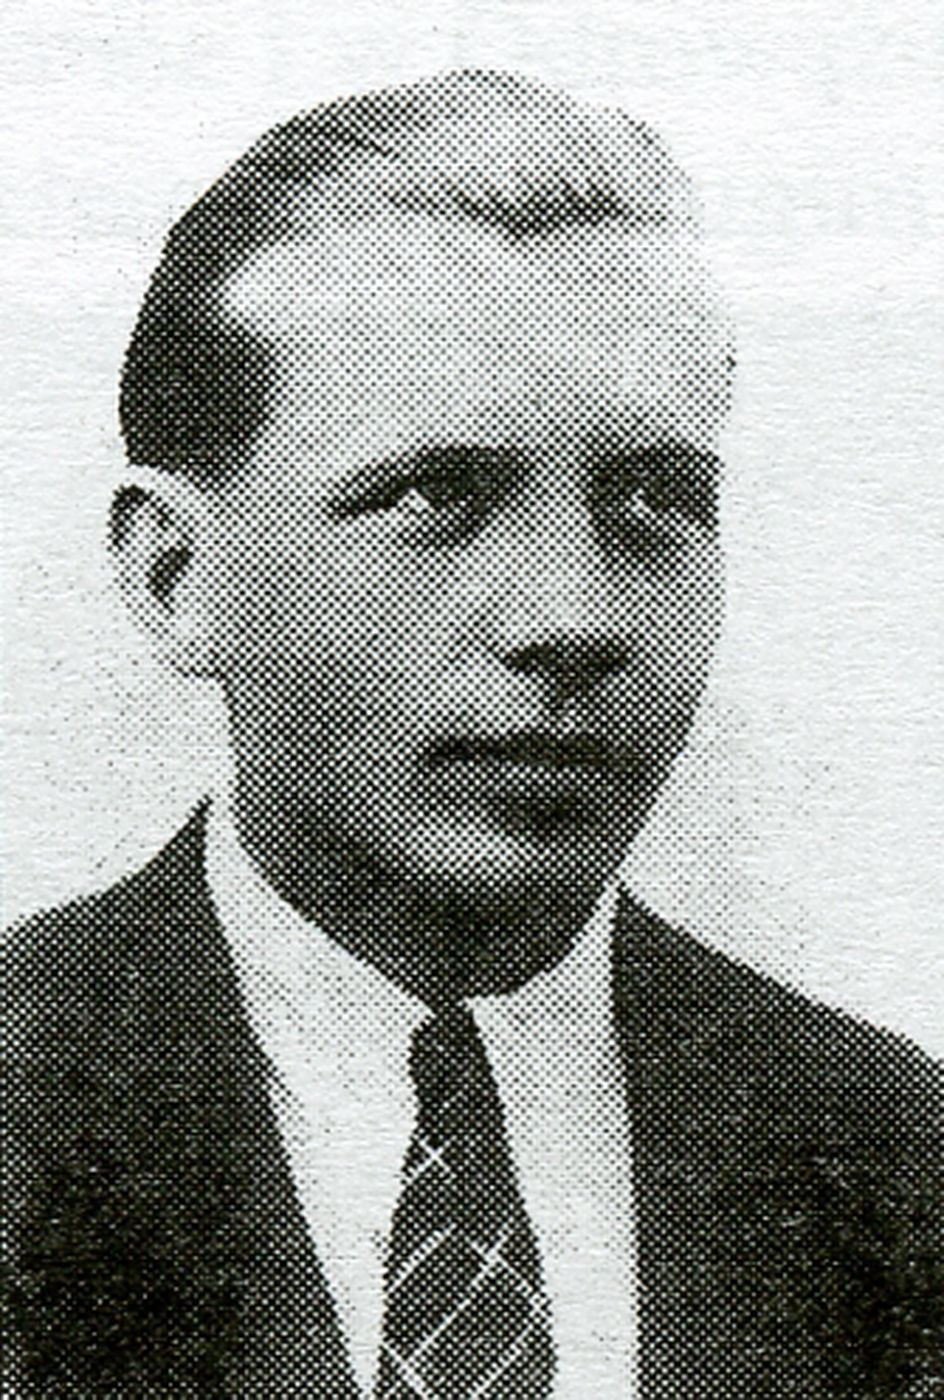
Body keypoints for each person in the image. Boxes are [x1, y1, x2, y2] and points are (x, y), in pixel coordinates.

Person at [4, 71, 940, 1398]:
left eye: (653, 501)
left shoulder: (895, 1157)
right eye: (435, 496)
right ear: (178, 579)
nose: (575, 616)